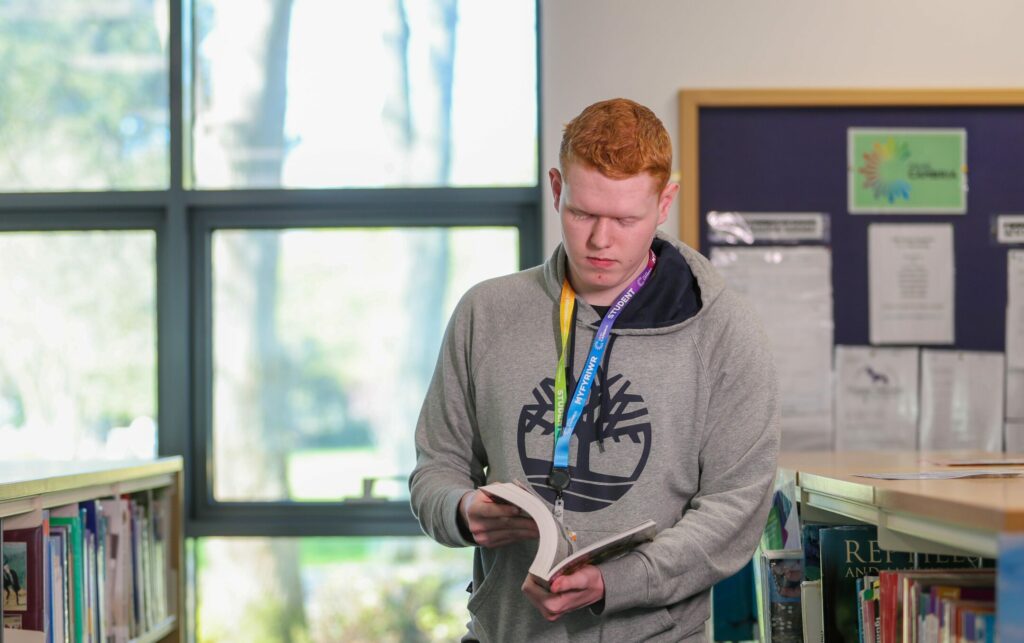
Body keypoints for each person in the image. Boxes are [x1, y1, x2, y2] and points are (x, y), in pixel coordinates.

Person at [409, 97, 779, 642]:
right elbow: (434, 470)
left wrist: (617, 581)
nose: (601, 240)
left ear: (665, 201)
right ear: (557, 188)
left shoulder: (725, 331)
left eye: (626, 219)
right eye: (582, 213)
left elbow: (736, 509)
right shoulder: (484, 313)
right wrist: (462, 511)